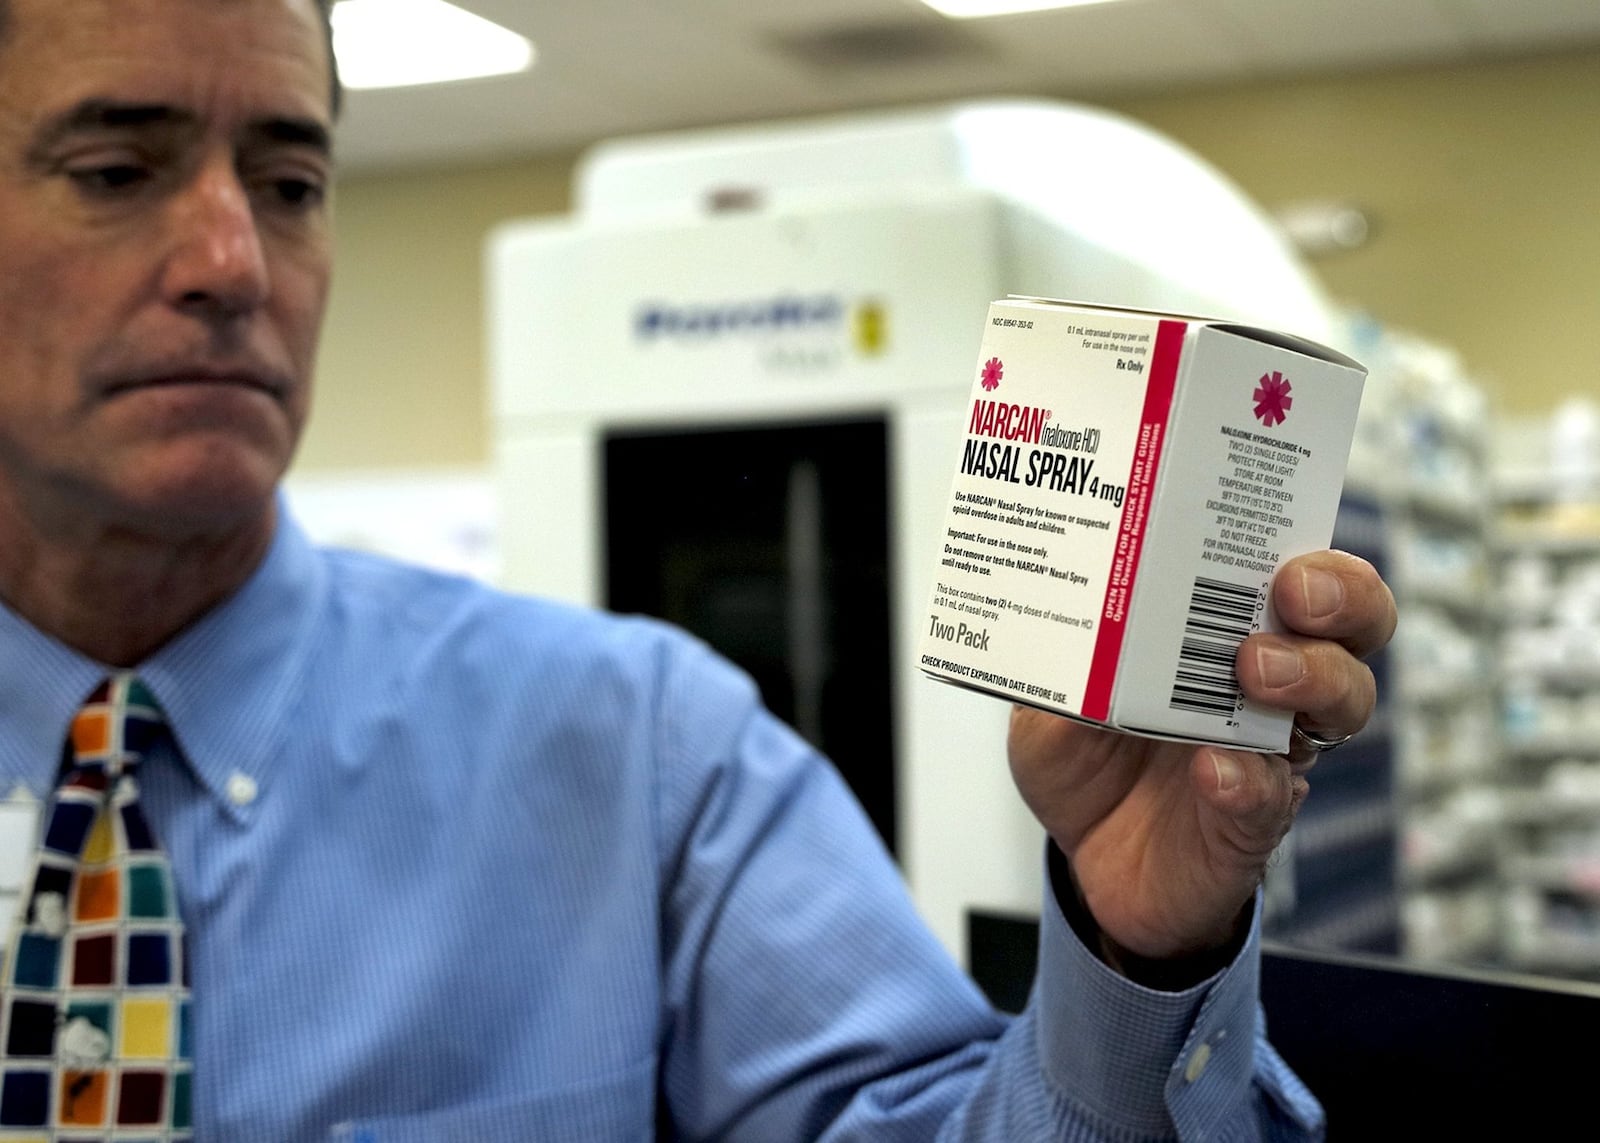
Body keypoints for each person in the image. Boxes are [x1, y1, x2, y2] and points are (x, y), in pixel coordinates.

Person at [0, 0, 1395, 1138]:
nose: (232, 261)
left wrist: (1134, 958)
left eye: (290, 183)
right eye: (116, 173)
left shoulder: (642, 755)